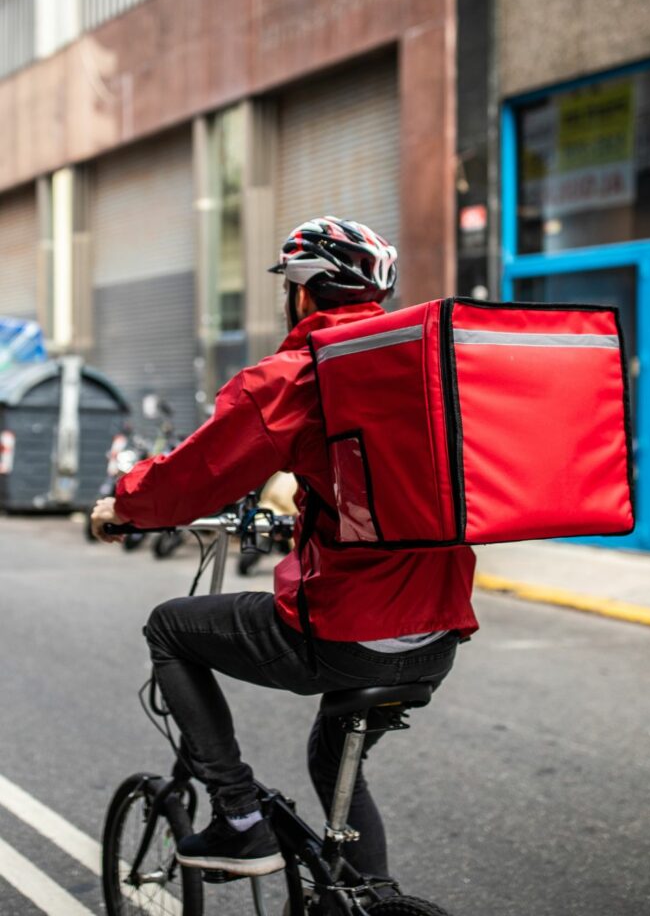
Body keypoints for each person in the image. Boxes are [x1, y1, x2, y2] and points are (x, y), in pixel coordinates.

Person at [91, 216, 478, 880]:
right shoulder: (422, 369)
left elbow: (192, 478)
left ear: (300, 294)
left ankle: (240, 821)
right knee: (335, 764)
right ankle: (368, 897)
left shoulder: (299, 376)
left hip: (349, 631)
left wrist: (123, 508)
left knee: (171, 627)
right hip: (436, 633)